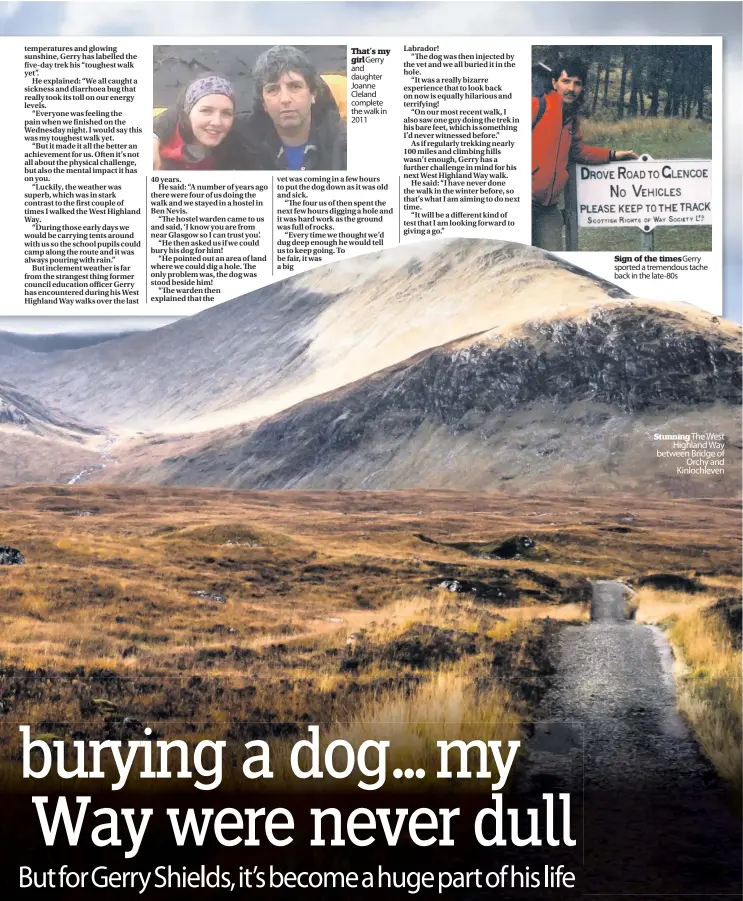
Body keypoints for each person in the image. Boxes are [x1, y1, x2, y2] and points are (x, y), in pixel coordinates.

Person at [532, 57, 638, 251]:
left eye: (577, 83)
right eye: (566, 81)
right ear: (554, 82)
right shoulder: (536, 107)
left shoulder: (571, 119)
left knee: (553, 265)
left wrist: (613, 154)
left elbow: (579, 151)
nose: (571, 88)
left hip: (549, 208)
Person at [244, 45, 346, 170]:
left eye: (295, 86)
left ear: (313, 93)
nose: (285, 99)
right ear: (263, 103)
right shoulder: (241, 145)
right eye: (273, 89)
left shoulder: (347, 146)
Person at [153, 74, 252, 170]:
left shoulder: (236, 147)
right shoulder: (157, 146)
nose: (217, 122)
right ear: (187, 113)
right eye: (206, 111)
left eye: (226, 113)